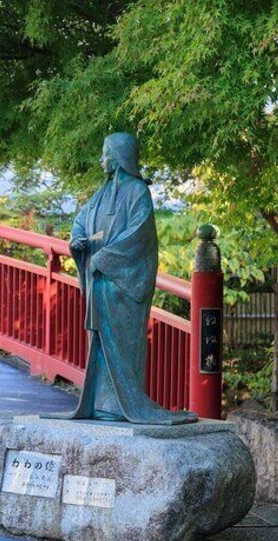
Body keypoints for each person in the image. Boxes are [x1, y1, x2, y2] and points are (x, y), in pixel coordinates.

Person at [59, 132, 197, 425]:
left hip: (122, 284)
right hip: (99, 282)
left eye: (105, 154)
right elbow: (81, 222)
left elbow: (138, 235)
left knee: (122, 345)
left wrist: (103, 259)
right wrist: (78, 241)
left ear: (119, 157)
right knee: (99, 344)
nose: (101, 160)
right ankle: (100, 404)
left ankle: (123, 406)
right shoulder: (101, 194)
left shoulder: (137, 192)